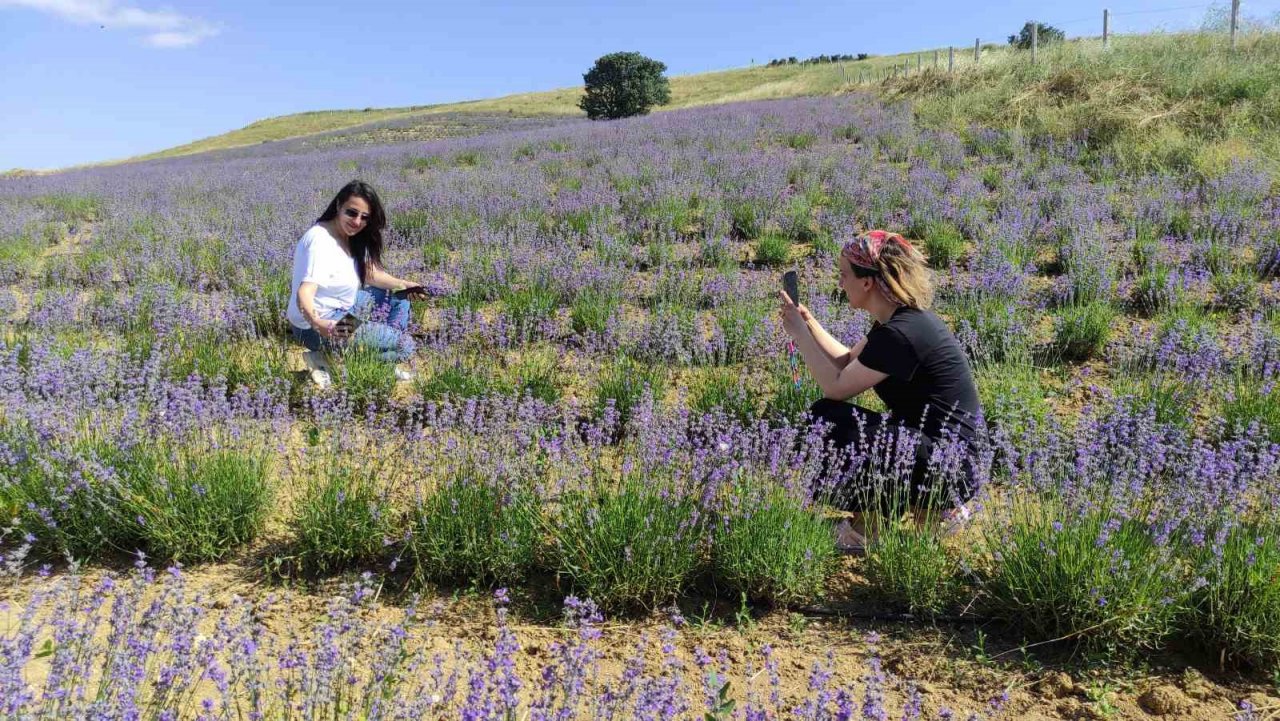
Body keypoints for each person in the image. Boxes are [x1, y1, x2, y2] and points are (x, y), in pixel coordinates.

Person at [778, 229, 984, 553]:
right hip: (945, 456)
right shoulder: (900, 322)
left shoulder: (901, 335)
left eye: (845, 275)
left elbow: (835, 387)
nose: (841, 283)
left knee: (827, 422)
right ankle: (930, 509)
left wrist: (799, 336)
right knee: (839, 423)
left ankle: (873, 528)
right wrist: (809, 324)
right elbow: (846, 360)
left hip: (950, 464)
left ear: (867, 282)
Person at [286, 180, 428, 387]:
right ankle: (335, 356)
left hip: (345, 309)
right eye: (351, 213)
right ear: (338, 206)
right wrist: (318, 324)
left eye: (364, 217)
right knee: (405, 345)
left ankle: (375, 352)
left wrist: (405, 285)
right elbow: (305, 292)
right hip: (321, 327)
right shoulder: (320, 241)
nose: (357, 221)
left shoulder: (348, 236)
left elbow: (369, 274)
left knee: (398, 296)